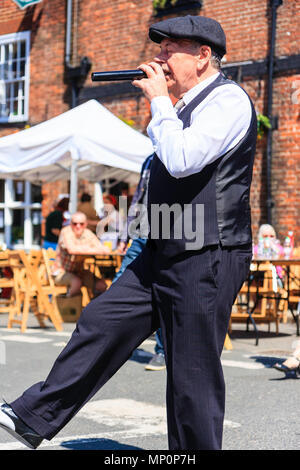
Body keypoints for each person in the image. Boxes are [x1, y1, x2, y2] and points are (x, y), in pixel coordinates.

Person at [0, 15, 257, 450]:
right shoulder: (179, 107)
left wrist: (159, 103)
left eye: (170, 48)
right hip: (162, 246)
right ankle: (32, 418)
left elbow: (181, 160)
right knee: (101, 320)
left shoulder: (227, 101)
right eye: (159, 48)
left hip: (207, 251)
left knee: (191, 372)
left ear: (203, 55)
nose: (159, 57)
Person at [114, 154, 166, 371]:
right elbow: (138, 199)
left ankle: (163, 351)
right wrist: (125, 236)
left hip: (167, 233)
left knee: (163, 292)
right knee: (119, 282)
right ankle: (110, 339)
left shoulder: (181, 152)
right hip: (141, 232)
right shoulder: (150, 159)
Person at [53, 211, 109, 297]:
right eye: (75, 224)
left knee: (102, 285)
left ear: (86, 224)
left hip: (79, 272)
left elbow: (104, 250)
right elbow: (72, 250)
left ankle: (95, 308)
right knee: (77, 282)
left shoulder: (87, 233)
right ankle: (69, 308)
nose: (78, 226)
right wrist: (90, 248)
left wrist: (82, 248)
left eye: (81, 224)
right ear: (70, 224)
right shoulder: (66, 231)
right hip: (61, 272)